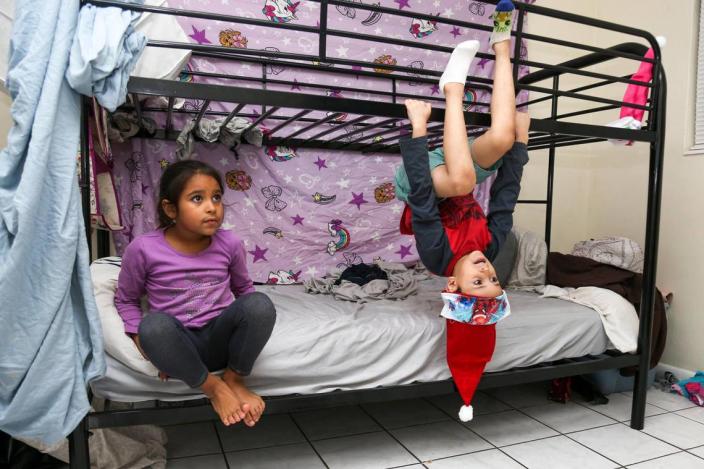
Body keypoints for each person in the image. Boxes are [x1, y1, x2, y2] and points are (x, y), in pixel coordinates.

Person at [396, 0, 532, 422]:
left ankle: (451, 88)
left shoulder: (438, 256)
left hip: (426, 178)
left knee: (460, 183)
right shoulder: (489, 245)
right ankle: (503, 46)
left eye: (479, 280)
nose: (487, 268)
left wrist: (419, 133)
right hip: (459, 164)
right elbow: (506, 195)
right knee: (504, 135)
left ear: (453, 285)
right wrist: (521, 147)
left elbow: (421, 199)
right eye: (493, 278)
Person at [115, 160, 276, 428]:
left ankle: (234, 379)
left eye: (216, 197)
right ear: (170, 209)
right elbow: (127, 300)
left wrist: (249, 327)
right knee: (152, 326)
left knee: (260, 304)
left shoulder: (230, 243)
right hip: (181, 345)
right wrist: (145, 343)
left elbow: (244, 291)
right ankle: (213, 387)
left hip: (221, 340)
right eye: (197, 199)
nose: (212, 207)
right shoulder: (143, 249)